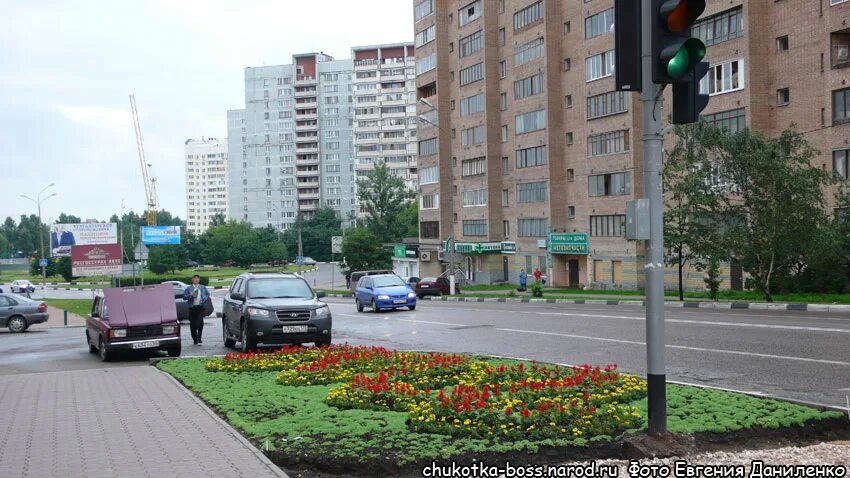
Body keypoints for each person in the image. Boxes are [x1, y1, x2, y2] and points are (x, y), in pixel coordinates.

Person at [183, 275, 210, 345]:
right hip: (192, 308)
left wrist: (204, 299)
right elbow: (184, 297)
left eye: (197, 278)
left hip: (200, 307)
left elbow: (207, 294)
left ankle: (199, 338)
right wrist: (190, 295)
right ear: (192, 280)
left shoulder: (202, 287)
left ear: (199, 280)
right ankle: (195, 338)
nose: (196, 280)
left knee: (200, 322)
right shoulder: (189, 288)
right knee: (193, 325)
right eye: (194, 279)